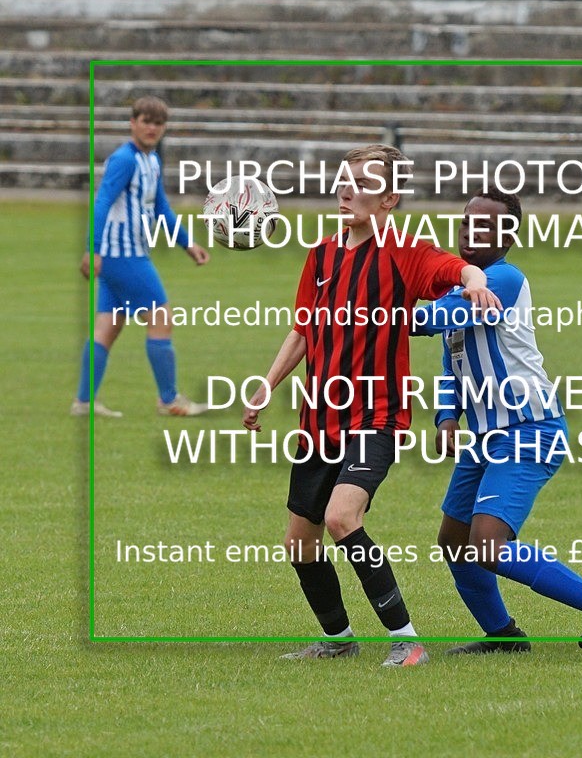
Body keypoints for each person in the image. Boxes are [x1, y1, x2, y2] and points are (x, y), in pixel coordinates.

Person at [242, 145, 500, 667]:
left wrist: (476, 286)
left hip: (376, 415)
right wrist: (267, 384)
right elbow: (303, 330)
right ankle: (338, 639)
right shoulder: (320, 255)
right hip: (320, 419)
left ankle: (407, 641)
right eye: (344, 179)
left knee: (342, 516)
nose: (347, 189)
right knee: (299, 543)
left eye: (362, 182)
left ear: (389, 199)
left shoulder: (406, 252)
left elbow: (460, 271)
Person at [413, 185, 582, 653]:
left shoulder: (503, 279)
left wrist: (374, 302)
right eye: (466, 222)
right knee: (455, 540)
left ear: (508, 235)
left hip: (529, 430)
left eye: (485, 225)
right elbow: (450, 361)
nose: (471, 232)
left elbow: (430, 320)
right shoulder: (463, 286)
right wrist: (446, 417)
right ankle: (504, 637)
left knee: (487, 546)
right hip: (485, 436)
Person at [72, 96, 209, 418]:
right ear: (132, 123)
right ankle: (169, 400)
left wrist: (188, 244)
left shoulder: (152, 161)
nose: (152, 128)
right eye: (146, 121)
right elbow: (102, 202)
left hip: (126, 255)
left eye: (158, 123)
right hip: (123, 256)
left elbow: (160, 207)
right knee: (161, 320)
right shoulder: (125, 160)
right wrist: (92, 249)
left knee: (107, 327)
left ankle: (83, 403)